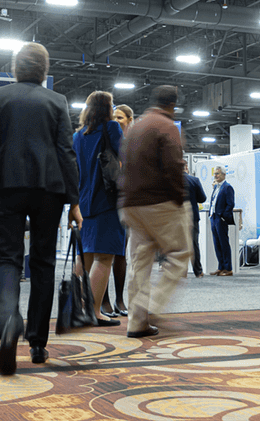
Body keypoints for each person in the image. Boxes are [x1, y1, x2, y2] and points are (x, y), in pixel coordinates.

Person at [0, 42, 82, 374]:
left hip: (6, 187)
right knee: (43, 263)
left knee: (7, 258)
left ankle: (9, 320)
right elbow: (66, 152)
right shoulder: (57, 101)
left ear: (15, 68)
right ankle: (37, 343)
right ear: (44, 70)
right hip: (49, 190)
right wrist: (74, 201)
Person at [117, 85, 192, 338]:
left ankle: (137, 322)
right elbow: (173, 166)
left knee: (140, 261)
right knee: (180, 254)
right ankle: (151, 305)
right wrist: (179, 199)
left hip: (130, 204)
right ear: (173, 104)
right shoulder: (167, 126)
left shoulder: (136, 126)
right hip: (158, 202)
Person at [72, 90, 125, 326]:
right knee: (104, 258)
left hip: (84, 202)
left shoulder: (78, 136)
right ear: (107, 108)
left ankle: (76, 307)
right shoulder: (111, 127)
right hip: (107, 200)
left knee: (84, 257)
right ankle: (94, 311)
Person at [101, 104, 135, 315]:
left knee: (121, 253)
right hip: (106, 202)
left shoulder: (134, 145)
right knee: (105, 253)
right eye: (113, 117)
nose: (116, 121)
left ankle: (120, 300)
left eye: (120, 117)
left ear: (130, 120)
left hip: (126, 204)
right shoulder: (105, 141)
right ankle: (103, 300)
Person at [207, 166, 236, 276]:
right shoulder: (216, 187)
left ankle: (228, 269)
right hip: (213, 218)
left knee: (224, 244)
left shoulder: (227, 187)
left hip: (221, 219)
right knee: (217, 244)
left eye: (218, 173)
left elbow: (230, 204)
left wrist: (224, 216)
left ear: (224, 175)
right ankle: (221, 267)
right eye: (215, 174)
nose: (215, 175)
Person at [184, 167, 207, 277]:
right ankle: (198, 271)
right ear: (186, 168)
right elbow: (202, 198)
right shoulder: (194, 180)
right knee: (194, 245)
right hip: (192, 217)